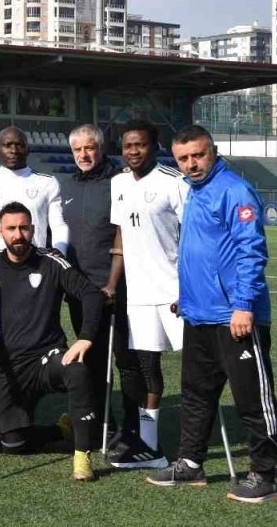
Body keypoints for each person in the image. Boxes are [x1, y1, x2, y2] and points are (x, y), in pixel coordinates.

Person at [147, 125, 277, 504]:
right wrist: (186, 298)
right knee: (195, 395)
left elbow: (250, 252)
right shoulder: (194, 192)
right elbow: (201, 254)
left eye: (198, 155)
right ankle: (190, 463)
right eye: (183, 159)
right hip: (199, 315)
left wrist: (243, 306)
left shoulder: (234, 190)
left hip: (234, 317)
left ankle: (265, 476)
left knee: (253, 399)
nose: (192, 164)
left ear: (213, 151)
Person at [0, 201, 103, 482]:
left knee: (77, 369)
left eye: (24, 227)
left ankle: (82, 455)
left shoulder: (51, 261)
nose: (18, 234)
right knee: (13, 444)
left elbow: (91, 294)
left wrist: (84, 338)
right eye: (11, 228)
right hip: (10, 367)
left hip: (47, 357)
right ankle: (61, 430)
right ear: (0, 231)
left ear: (34, 229)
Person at [62, 124, 152, 468]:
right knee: (92, 364)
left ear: (101, 149)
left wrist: (114, 283)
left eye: (90, 148)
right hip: (81, 295)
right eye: (78, 150)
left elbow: (123, 235)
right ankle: (105, 426)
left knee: (128, 364)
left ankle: (132, 431)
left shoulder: (119, 182)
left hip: (118, 290)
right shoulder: (65, 186)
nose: (84, 155)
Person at [109, 119, 189, 469]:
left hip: (175, 293)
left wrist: (190, 288)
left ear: (154, 146)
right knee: (147, 367)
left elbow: (191, 237)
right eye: (128, 145)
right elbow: (121, 237)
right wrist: (113, 283)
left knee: (198, 368)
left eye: (139, 144)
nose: (133, 151)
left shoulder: (175, 183)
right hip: (138, 295)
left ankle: (194, 441)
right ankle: (150, 446)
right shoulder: (118, 183)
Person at [0, 126, 68, 253]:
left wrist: (60, 251)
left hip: (37, 261)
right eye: (7, 145)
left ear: (27, 150)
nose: (13, 150)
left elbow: (58, 224)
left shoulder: (47, 182)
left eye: (19, 145)